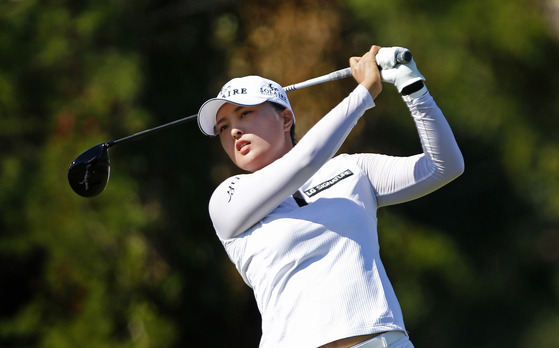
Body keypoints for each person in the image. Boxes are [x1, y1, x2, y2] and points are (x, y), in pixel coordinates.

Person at [197, 45, 464, 348]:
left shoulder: (352, 169)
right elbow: (305, 160)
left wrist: (411, 84)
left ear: (286, 119)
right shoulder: (228, 198)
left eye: (245, 114)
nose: (233, 131)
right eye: (223, 127)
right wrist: (364, 93)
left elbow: (444, 166)